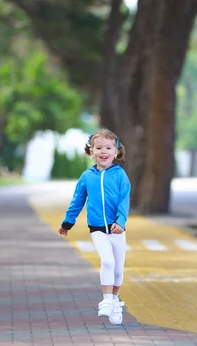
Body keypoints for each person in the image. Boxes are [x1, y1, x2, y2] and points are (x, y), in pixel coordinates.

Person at [57, 129, 131, 325]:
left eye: (108, 147)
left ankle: (115, 300)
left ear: (116, 151)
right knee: (107, 261)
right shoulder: (87, 176)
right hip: (97, 228)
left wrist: (120, 223)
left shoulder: (120, 175)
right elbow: (77, 201)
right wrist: (67, 223)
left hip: (117, 229)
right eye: (98, 147)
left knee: (118, 270)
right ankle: (106, 300)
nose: (103, 151)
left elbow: (124, 201)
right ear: (91, 151)